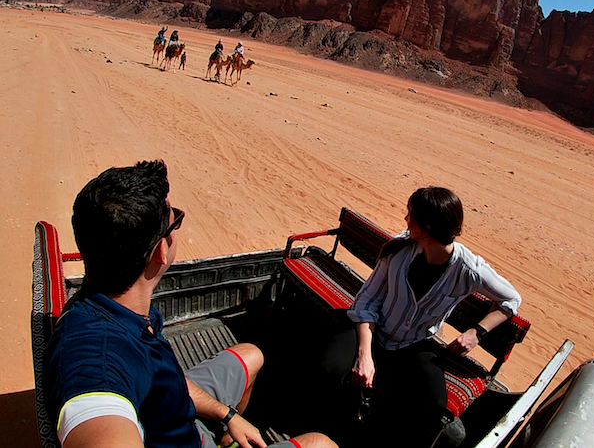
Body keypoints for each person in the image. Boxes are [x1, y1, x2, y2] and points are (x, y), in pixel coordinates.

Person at [44, 160, 336, 448]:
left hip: (176, 410)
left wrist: (228, 414)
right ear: (161, 249)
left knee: (251, 355)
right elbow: (99, 417)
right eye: (176, 221)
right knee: (320, 443)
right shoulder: (98, 363)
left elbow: (164, 379)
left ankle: (223, 433)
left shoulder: (118, 304)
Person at [320, 187, 521, 448]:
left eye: (410, 214)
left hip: (413, 345)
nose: (405, 219)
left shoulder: (469, 270)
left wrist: (477, 332)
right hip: (372, 332)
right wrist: (364, 355)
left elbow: (511, 299)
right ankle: (322, 434)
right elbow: (366, 301)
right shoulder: (400, 249)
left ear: (426, 228)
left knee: (433, 406)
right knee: (330, 368)